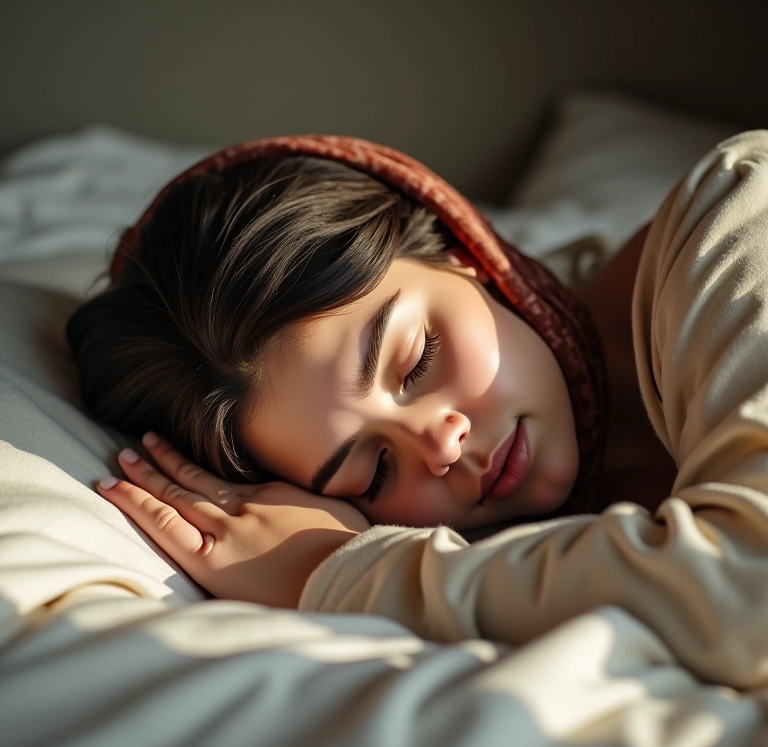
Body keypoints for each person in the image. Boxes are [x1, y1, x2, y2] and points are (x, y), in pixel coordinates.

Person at [69, 132, 768, 689]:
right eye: (373, 474)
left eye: (417, 359)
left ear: (460, 250)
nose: (441, 447)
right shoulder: (500, 551)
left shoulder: (737, 217)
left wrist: (337, 571)